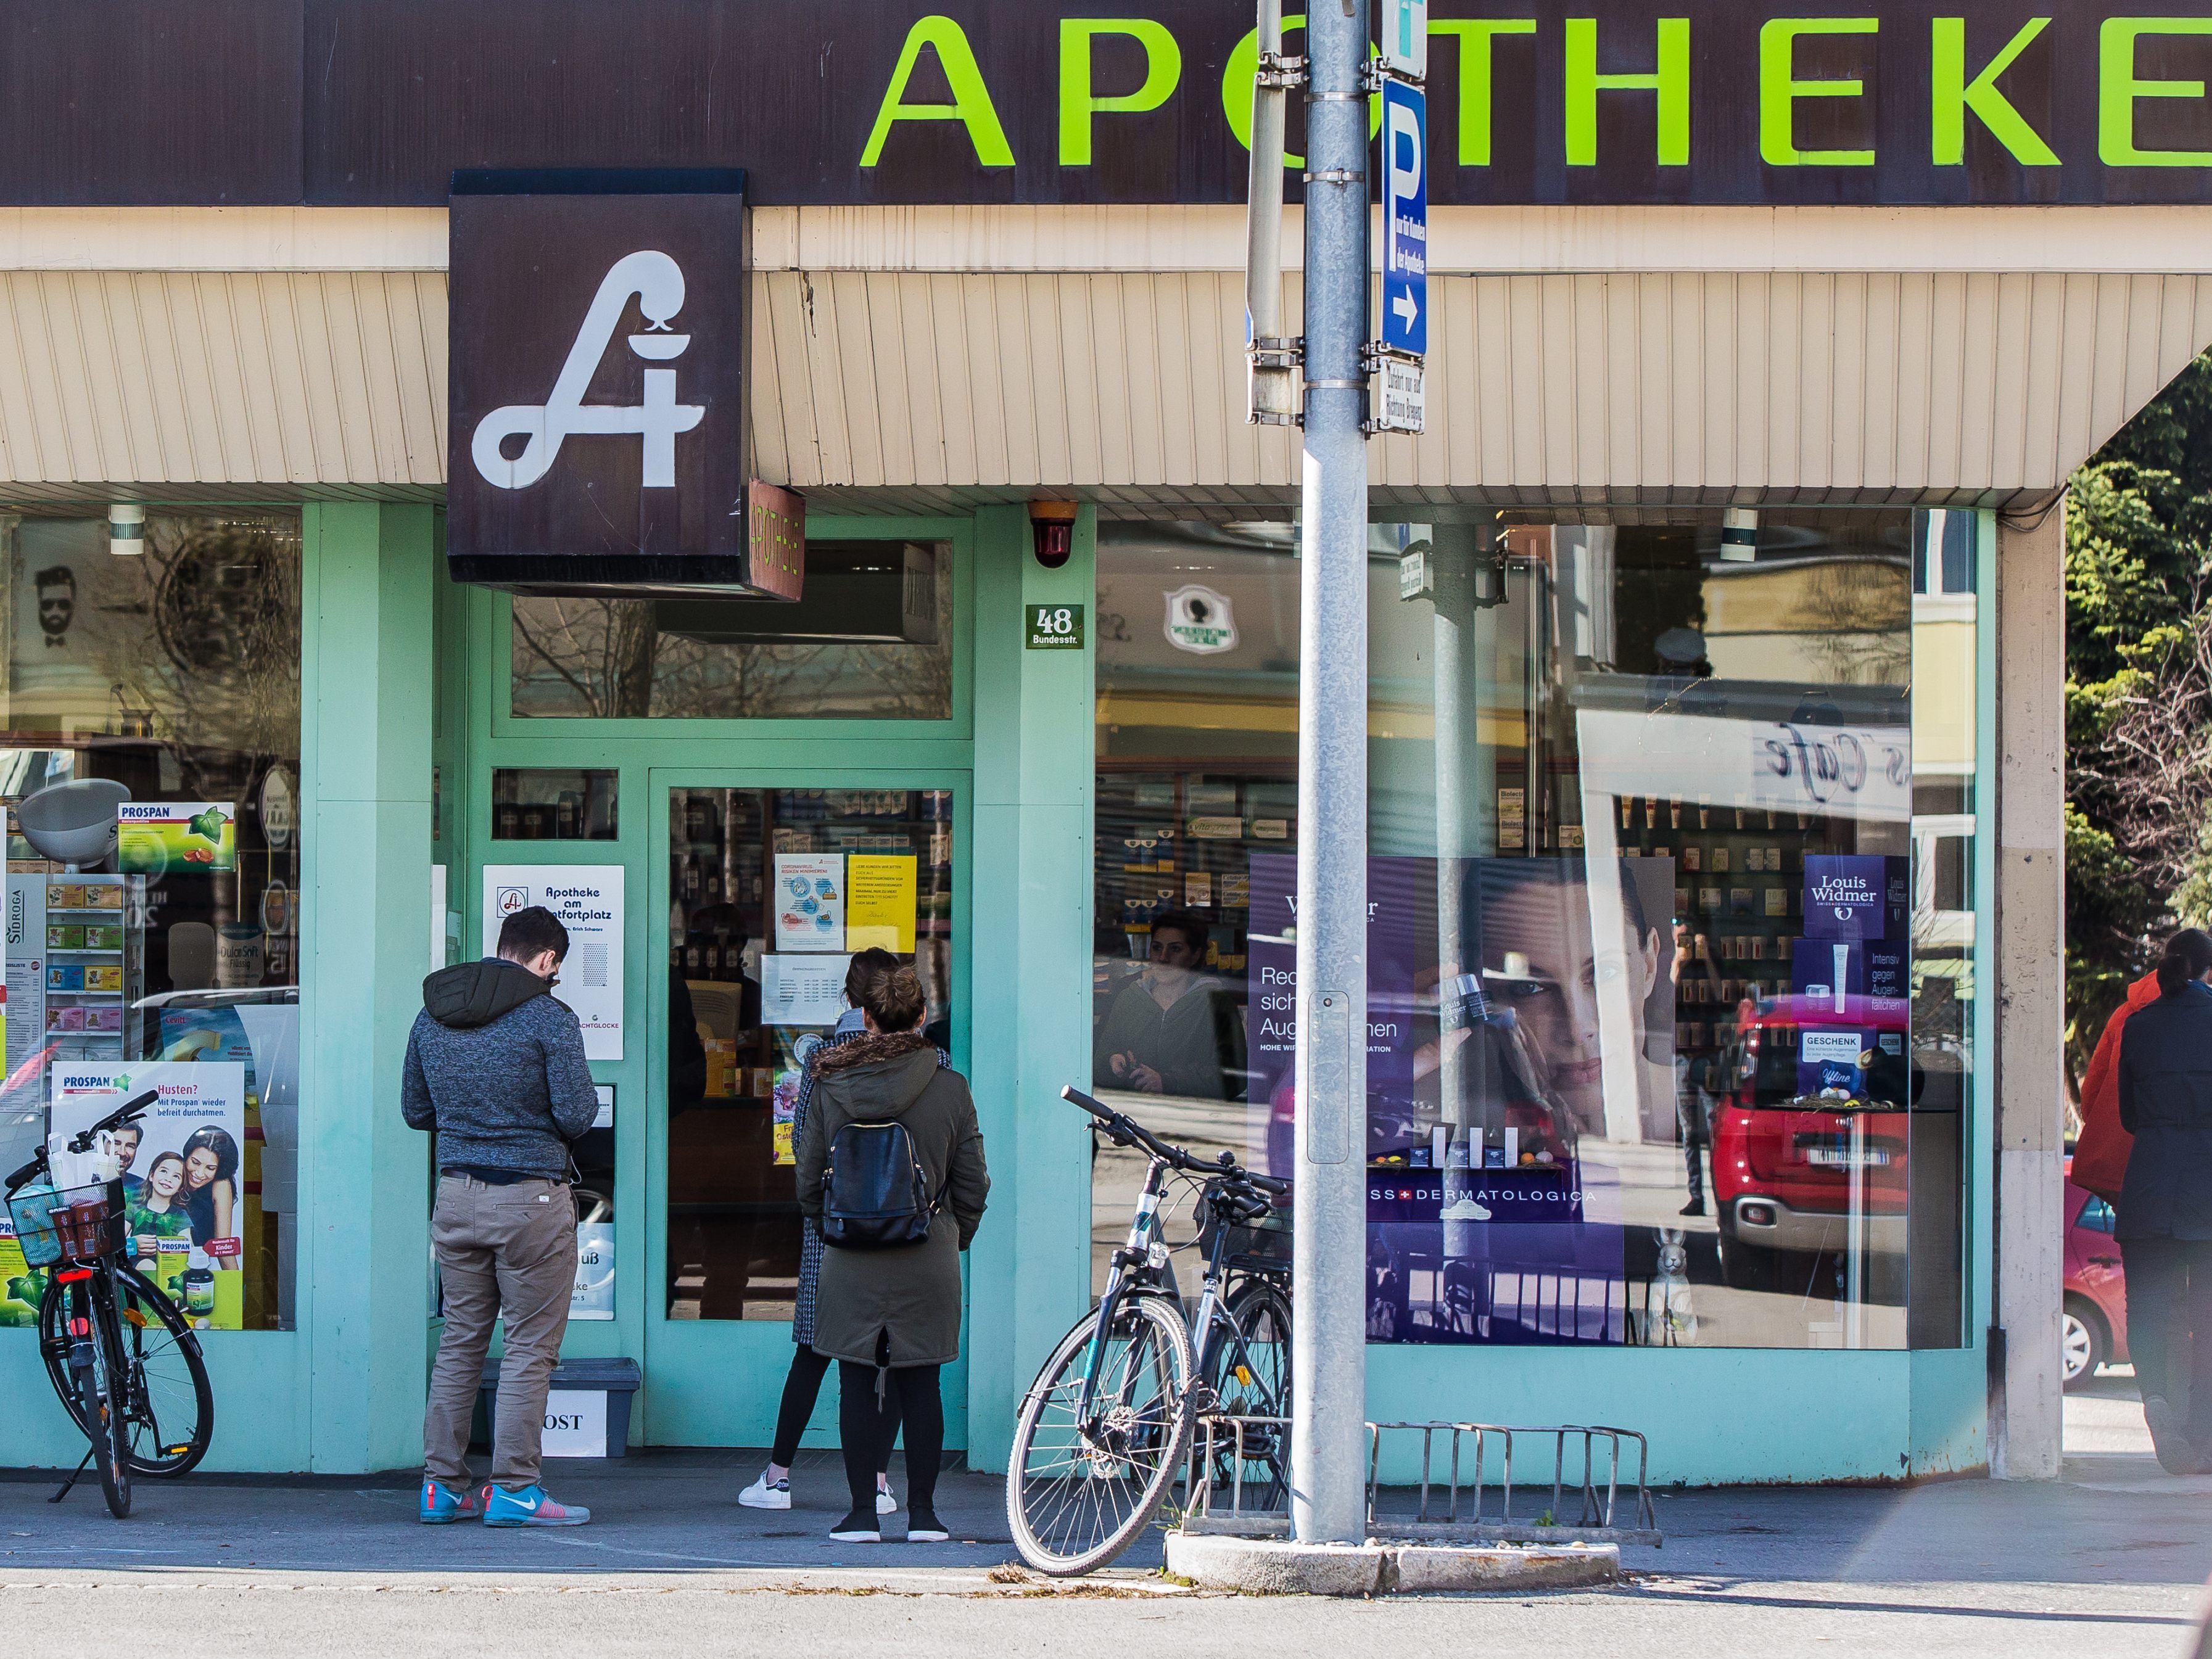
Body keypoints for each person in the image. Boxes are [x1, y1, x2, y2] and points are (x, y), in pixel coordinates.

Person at [402, 905, 598, 1526]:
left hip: (456, 1194)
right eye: (555, 970)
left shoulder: (431, 1014)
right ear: (545, 959)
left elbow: (415, 1109)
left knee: (460, 1341)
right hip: (530, 1200)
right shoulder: (549, 1017)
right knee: (528, 1348)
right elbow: (576, 1114)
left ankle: (441, 1486)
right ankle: (514, 1487)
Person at [798, 962, 988, 1543]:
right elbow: (974, 1182)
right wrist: (953, 1236)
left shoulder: (831, 1084)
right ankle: (924, 1515)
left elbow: (808, 1181)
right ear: (923, 1017)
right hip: (927, 1251)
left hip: (848, 1254)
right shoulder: (950, 1086)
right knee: (921, 1384)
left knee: (855, 1381)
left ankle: (860, 1513)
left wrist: (832, 1225)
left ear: (868, 1019)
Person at [739, 947, 908, 1515]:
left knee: (813, 1349)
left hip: (833, 1224)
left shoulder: (821, 1061)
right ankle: (880, 1484)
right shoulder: (928, 1060)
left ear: (849, 997)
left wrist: (814, 1212)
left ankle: (778, 1477)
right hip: (901, 1227)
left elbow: (806, 1150)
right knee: (885, 1354)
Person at [2115, 928, 2212, 1476]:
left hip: (2149, 1187)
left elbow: (2130, 1118)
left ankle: (2154, 1397)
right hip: (2207, 1192)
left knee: (2148, 1308)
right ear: (2208, 970)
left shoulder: (2139, 1025)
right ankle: (2201, 1433)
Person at [1094, 910, 1242, 1099]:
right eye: (1157, 948)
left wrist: (1168, 1081)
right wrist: (1113, 1060)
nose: (1163, 958)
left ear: (1196, 955)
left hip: (1193, 1122)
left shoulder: (1217, 1004)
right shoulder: (1128, 997)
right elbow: (1099, 1059)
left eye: (1175, 949)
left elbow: (1234, 1076)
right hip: (1134, 1117)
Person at [179, 1126, 239, 1263]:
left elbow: (222, 1245)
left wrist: (234, 1282)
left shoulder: (221, 1184)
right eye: (195, 1162)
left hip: (198, 1266)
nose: (199, 1174)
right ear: (187, 1156)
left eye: (210, 1168)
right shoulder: (172, 1170)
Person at [126, 1151, 192, 1264]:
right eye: (164, 1171)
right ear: (152, 1175)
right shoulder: (135, 1206)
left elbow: (188, 1249)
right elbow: (116, 1245)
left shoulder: (180, 1214)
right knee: (146, 1264)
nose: (168, 1179)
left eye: (176, 1176)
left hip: (168, 1266)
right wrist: (133, 1244)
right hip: (138, 1267)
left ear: (180, 1187)